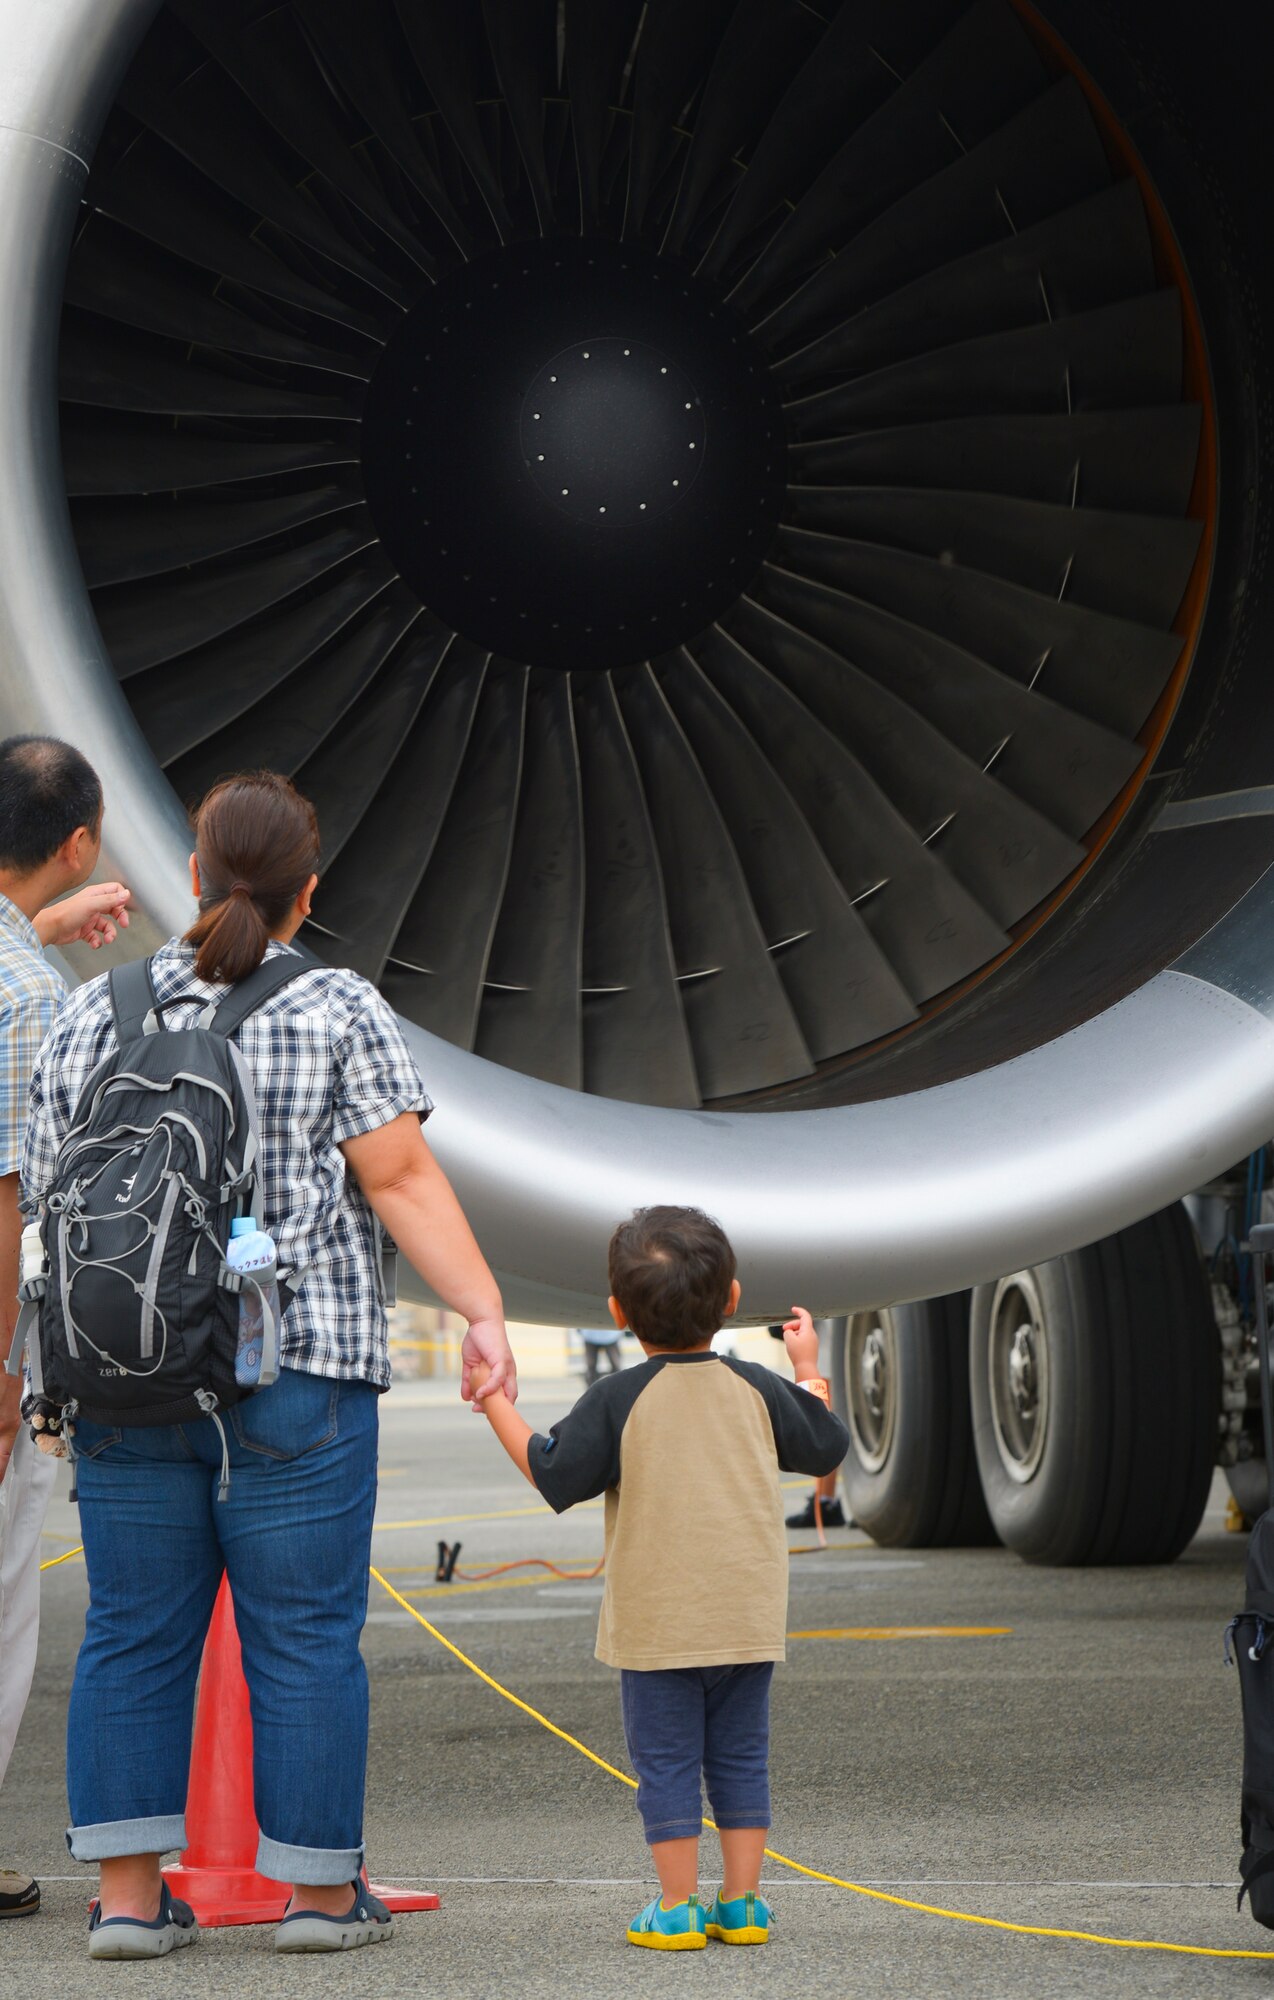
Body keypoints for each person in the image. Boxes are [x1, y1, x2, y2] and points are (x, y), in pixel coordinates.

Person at [21, 770, 516, 1962]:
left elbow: (43, 1196)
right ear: (307, 893)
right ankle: (313, 1897)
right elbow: (398, 1178)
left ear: (192, 876)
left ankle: (132, 1903)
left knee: (133, 1629)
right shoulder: (338, 1006)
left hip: (125, 1373)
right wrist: (482, 1308)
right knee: (302, 1632)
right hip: (299, 1370)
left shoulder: (95, 1012)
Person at [470, 1204, 848, 1951]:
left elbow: (552, 1469)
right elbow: (824, 1444)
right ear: (733, 1300)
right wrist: (805, 1367)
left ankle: (676, 1906)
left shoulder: (619, 1397)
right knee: (741, 1756)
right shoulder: (758, 1388)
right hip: (745, 1620)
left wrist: (492, 1400)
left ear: (617, 1313)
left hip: (657, 1630)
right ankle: (742, 1903)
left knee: (666, 1763)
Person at [0, 735, 131, 1922]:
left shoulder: (17, 965)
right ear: (78, 840)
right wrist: (4, 1372)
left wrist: (41, 924)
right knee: (1, 1594)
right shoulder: (33, 998)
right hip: (0, 1326)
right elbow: (8, 1198)